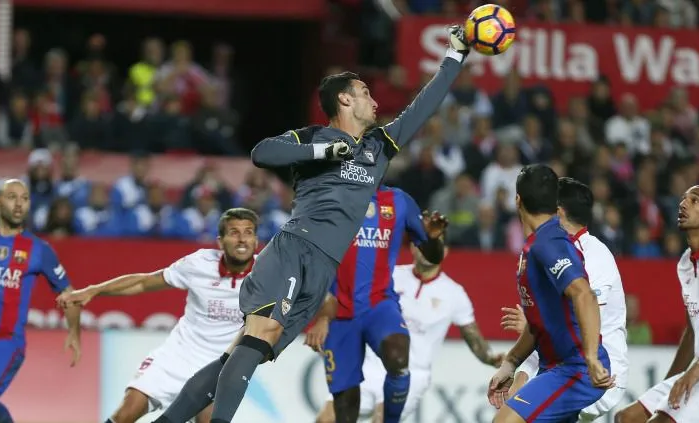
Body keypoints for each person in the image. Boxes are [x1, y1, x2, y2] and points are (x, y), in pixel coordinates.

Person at [151, 24, 471, 423]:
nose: (375, 101)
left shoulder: (379, 147)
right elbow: (261, 152)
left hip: (322, 271)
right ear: (344, 99)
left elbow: (424, 107)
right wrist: (323, 150)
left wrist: (455, 57)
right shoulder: (312, 137)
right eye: (366, 93)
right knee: (258, 337)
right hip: (293, 251)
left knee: (239, 357)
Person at [56, 208, 259, 423]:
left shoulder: (268, 274)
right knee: (125, 413)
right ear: (220, 241)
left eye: (248, 232)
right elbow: (144, 281)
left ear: (256, 241)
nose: (241, 239)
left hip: (220, 368)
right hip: (177, 357)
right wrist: (92, 290)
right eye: (234, 232)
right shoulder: (199, 264)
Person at [311, 242, 504, 423]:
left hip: (411, 373)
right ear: (412, 248)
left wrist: (490, 357)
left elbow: (472, 336)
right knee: (325, 419)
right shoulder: (390, 276)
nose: (427, 250)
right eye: (422, 244)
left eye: (434, 246)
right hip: (370, 365)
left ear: (444, 252)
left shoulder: (454, 293)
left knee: (381, 419)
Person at [304, 185, 449, 423]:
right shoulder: (329, 194)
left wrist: (432, 238)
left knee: (398, 354)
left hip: (379, 304)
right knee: (345, 409)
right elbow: (309, 259)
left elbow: (433, 255)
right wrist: (321, 316)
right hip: (338, 312)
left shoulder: (399, 201)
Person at [487, 165, 613, 423]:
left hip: (575, 369)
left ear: (517, 200)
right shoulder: (537, 244)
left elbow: (584, 295)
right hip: (555, 366)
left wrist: (590, 357)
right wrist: (510, 363)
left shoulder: (549, 242)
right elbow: (537, 322)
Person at [0, 179, 82, 423]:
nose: (19, 204)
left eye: (25, 198)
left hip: (6, 341)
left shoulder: (39, 249)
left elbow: (68, 293)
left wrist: (74, 331)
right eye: (12, 197)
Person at [615, 185, 699, 423]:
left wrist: (697, 367)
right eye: (683, 199)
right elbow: (692, 333)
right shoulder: (685, 263)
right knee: (626, 418)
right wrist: (668, 384)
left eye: (694, 200)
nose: (683, 204)